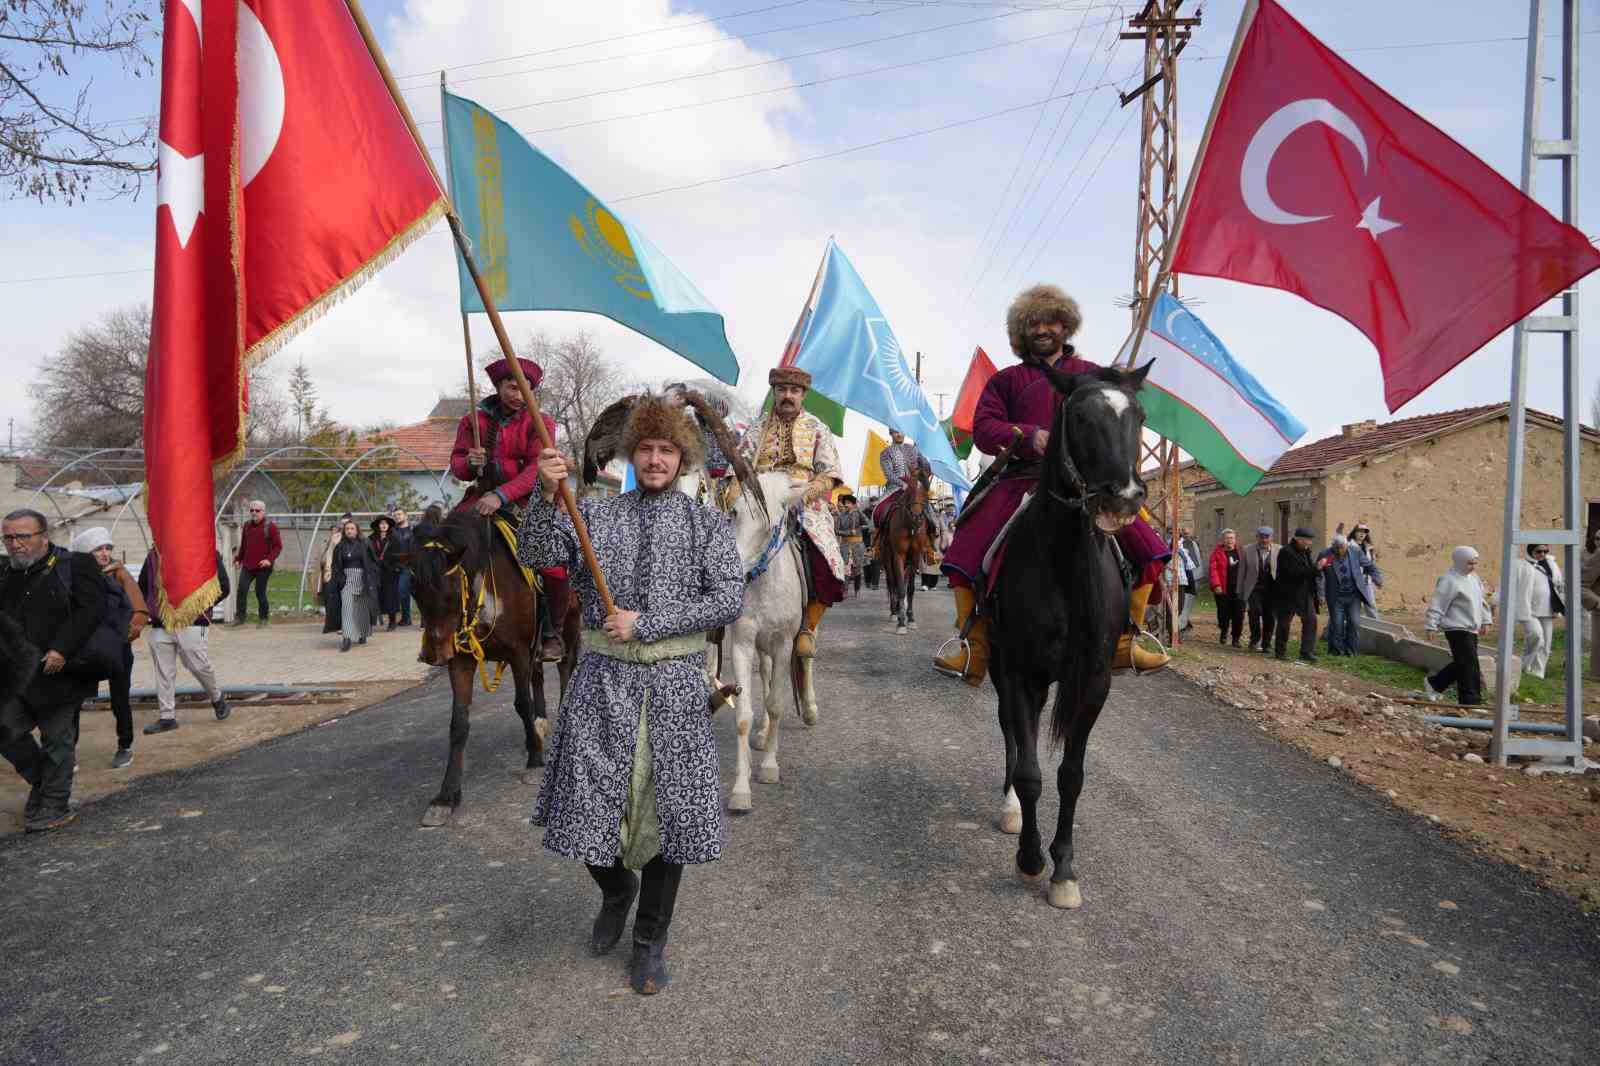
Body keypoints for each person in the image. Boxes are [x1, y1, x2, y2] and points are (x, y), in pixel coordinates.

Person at [518, 392, 743, 996]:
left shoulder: (707, 525)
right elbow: (537, 554)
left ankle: (649, 942)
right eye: (645, 448)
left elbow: (727, 600)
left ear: (684, 459)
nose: (654, 459)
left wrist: (647, 622)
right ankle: (617, 891)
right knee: (588, 801)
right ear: (629, 454)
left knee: (669, 819)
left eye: (666, 449)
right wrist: (543, 495)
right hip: (603, 681)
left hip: (673, 686)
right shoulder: (592, 513)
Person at [935, 284, 1171, 684]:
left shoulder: (1094, 375)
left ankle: (1127, 637)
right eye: (1034, 323)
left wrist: (1124, 386)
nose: (1043, 329)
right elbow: (984, 428)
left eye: (1051, 321)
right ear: (1022, 332)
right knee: (968, 544)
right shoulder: (1006, 381)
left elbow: (1120, 413)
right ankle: (972, 645)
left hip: (1089, 485)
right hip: (1023, 478)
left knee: (1148, 545)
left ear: (1065, 326)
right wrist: (1030, 436)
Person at [450, 355, 568, 663]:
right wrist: (469, 463)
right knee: (440, 549)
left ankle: (551, 632)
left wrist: (501, 496)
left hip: (526, 504)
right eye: (511, 387)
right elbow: (457, 466)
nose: (518, 395)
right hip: (478, 499)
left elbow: (535, 469)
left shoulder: (541, 421)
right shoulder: (472, 421)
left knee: (553, 566)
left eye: (524, 388)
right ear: (498, 386)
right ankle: (445, 624)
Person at [0, 509, 104, 831]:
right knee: (6, 731)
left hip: (59, 670)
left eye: (23, 537)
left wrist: (62, 648)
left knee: (57, 740)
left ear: (44, 536)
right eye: (8, 537)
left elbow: (91, 610)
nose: (15, 544)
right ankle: (43, 785)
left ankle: (55, 803)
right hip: (16, 676)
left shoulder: (76, 565)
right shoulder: (4, 572)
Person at [737, 366, 846, 659]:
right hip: (760, 498)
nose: (788, 396)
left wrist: (806, 495)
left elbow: (831, 473)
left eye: (794, 391)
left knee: (829, 560)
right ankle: (719, 618)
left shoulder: (817, 427)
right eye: (782, 390)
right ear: (774, 392)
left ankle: (808, 627)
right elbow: (739, 469)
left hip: (803, 497)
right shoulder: (757, 428)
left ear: (803, 395)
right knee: (727, 546)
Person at [68, 528, 149, 769]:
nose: (105, 553)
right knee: (72, 700)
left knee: (120, 699)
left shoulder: (119, 573)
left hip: (117, 649)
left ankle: (125, 746)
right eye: (98, 549)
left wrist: (123, 637)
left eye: (107, 548)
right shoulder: (73, 575)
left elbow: (140, 611)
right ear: (85, 553)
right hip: (82, 649)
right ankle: (68, 751)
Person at [135, 545, 231, 736]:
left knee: (198, 665)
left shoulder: (204, 549)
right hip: (161, 623)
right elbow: (142, 586)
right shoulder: (153, 555)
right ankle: (167, 717)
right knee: (164, 671)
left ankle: (217, 697)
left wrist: (200, 606)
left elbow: (223, 586)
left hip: (193, 621)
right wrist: (152, 608)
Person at [1423, 546, 1493, 705]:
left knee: (1466, 662)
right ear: (1459, 561)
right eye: (1469, 563)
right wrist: (1431, 625)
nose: (1473, 567)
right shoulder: (1448, 580)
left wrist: (1486, 620)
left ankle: (1435, 683)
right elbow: (1438, 604)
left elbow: (1482, 601)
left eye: (1475, 563)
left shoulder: (1474, 578)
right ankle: (1470, 701)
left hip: (1472, 628)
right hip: (1456, 628)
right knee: (1469, 665)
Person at [872, 428, 942, 543]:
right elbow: (889, 475)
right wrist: (903, 485)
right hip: (895, 488)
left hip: (914, 488)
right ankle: (876, 543)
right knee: (878, 511)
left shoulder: (913, 449)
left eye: (901, 431)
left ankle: (932, 539)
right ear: (891, 434)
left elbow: (925, 467)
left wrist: (923, 454)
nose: (899, 434)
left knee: (928, 509)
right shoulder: (885, 453)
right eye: (895, 432)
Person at [1318, 533, 1382, 656]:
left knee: (1354, 622)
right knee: (1337, 624)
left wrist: (1377, 578)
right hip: (1335, 596)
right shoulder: (1325, 554)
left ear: (1347, 545)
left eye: (1343, 547)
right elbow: (1319, 576)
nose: (1340, 550)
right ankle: (1336, 651)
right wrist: (1321, 594)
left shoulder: (1355, 552)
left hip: (1353, 596)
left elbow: (1370, 566)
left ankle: (1351, 651)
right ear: (1333, 546)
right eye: (1337, 548)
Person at [1512, 543, 1565, 680]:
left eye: (1545, 551)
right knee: (1536, 636)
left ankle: (1537, 673)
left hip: (1547, 609)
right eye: (1538, 551)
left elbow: (1559, 583)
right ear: (1531, 551)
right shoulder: (1521, 565)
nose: (1542, 554)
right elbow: (1511, 584)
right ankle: (1523, 666)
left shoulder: (1551, 564)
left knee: (1546, 644)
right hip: (1528, 610)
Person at [327, 519, 379, 652]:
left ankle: (362, 633)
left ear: (357, 530)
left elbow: (373, 561)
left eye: (352, 528)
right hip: (347, 579)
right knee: (347, 607)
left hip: (362, 578)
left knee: (361, 606)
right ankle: (347, 638)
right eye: (347, 529)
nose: (349, 531)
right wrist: (339, 578)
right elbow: (336, 564)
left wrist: (371, 577)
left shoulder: (365, 543)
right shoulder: (340, 546)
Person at [1271, 528, 1321, 662]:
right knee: (1284, 623)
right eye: (1307, 540)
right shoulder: (1286, 552)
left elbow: (1308, 572)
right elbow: (1295, 573)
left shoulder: (1306, 551)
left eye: (1310, 540)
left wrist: (1317, 570)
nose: (1309, 543)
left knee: (1311, 621)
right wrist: (1315, 568)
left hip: (1305, 593)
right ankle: (1280, 651)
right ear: (1299, 539)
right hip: (1287, 593)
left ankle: (1307, 651)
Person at [230, 500, 281, 628]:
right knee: (242, 589)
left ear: (263, 512)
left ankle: (263, 618)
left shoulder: (271, 527)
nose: (254, 513)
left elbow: (278, 547)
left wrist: (269, 560)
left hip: (263, 566)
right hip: (248, 565)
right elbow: (244, 546)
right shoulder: (246, 526)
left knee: (260, 591)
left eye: (257, 510)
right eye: (251, 510)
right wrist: (238, 559)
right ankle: (240, 617)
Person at [1237, 526, 1279, 653]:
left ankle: (1266, 643)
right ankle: (1254, 639)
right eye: (1261, 537)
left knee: (1270, 616)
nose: (1264, 540)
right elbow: (1242, 571)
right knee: (1254, 612)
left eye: (1267, 537)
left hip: (1272, 590)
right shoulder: (1247, 550)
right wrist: (1239, 589)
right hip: (1254, 588)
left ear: (1271, 538)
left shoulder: (1279, 550)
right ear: (1257, 538)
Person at [1209, 530, 1244, 647]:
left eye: (1232, 538)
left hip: (1239, 589)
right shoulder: (1217, 553)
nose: (1230, 540)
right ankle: (1224, 631)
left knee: (1238, 614)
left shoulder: (1241, 551)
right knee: (1223, 613)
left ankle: (1236, 638)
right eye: (1227, 538)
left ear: (1235, 539)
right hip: (1223, 588)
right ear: (1223, 540)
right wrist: (1216, 585)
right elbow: (1213, 570)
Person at [370, 515, 403, 632]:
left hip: (390, 572)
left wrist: (396, 568)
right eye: (381, 523)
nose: (383, 525)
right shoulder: (371, 538)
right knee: (375, 595)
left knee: (390, 596)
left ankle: (392, 621)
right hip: (376, 571)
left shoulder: (394, 538)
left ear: (388, 526)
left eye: (386, 523)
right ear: (377, 525)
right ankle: (371, 621)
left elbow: (399, 555)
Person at [834, 494, 871, 595]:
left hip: (857, 545)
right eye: (845, 503)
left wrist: (859, 511)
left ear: (853, 504)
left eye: (849, 503)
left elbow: (868, 523)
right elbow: (836, 531)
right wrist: (848, 533)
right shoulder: (841, 516)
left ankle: (857, 589)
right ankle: (844, 590)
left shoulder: (858, 514)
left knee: (857, 569)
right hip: (845, 545)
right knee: (845, 568)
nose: (846, 505)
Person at [1347, 522, 1381, 619]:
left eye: (1364, 532)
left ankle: (1377, 628)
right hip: (1352, 581)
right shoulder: (1348, 546)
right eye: (1359, 531)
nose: (1362, 534)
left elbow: (1371, 565)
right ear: (1354, 532)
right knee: (1350, 607)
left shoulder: (1369, 547)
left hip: (1366, 581)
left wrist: (1375, 578)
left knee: (1371, 605)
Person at [390, 508, 415, 627]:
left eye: (399, 514)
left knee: (403, 590)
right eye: (395, 515)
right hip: (395, 565)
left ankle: (413, 618)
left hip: (409, 565)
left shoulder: (413, 530)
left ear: (406, 515)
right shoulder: (393, 531)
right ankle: (406, 618)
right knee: (401, 592)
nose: (397, 517)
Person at [1174, 528, 1199, 633]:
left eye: (1187, 533)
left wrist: (1195, 578)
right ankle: (1179, 626)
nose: (1186, 535)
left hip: (1187, 578)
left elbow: (1196, 561)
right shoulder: (1172, 544)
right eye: (1184, 534)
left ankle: (1181, 625)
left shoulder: (1191, 544)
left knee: (1184, 604)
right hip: (1176, 579)